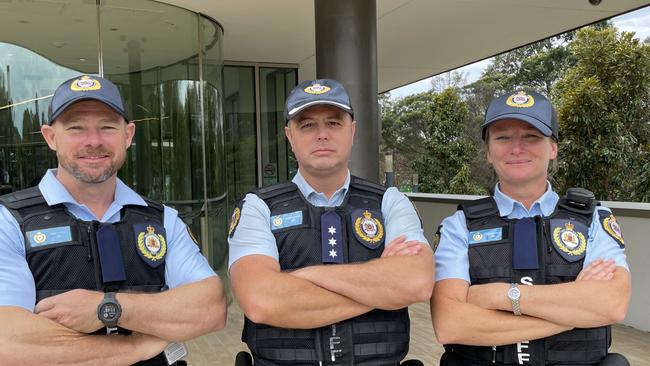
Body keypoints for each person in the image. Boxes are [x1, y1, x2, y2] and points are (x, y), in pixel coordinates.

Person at [0, 75, 227, 365]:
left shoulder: (162, 219)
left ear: (128, 135)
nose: (93, 141)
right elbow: (8, 341)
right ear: (50, 137)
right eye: (76, 128)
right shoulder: (10, 221)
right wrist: (134, 348)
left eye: (107, 127)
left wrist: (107, 307)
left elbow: (210, 308)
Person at [228, 78, 434, 365]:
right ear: (289, 135)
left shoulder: (390, 202)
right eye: (307, 125)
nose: (321, 134)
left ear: (353, 131)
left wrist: (302, 277)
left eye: (334, 123)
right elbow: (261, 302)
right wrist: (383, 287)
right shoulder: (258, 207)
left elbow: (416, 283)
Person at [431, 90, 631, 366]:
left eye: (531, 137)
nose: (516, 148)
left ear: (553, 148)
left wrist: (500, 295)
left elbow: (612, 304)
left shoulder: (593, 219)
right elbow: (451, 324)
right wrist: (575, 312)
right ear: (488, 152)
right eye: (502, 137)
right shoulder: (460, 226)